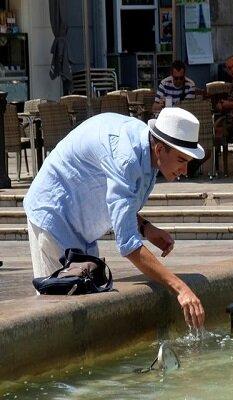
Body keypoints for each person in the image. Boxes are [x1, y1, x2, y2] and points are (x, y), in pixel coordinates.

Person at [24, 108, 206, 329]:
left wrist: (146, 228)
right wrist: (181, 288)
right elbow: (128, 245)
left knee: (84, 311)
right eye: (181, 160)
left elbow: (121, 202)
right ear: (160, 149)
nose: (185, 170)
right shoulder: (126, 157)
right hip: (53, 215)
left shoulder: (147, 150)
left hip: (81, 226)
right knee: (56, 319)